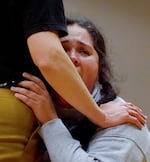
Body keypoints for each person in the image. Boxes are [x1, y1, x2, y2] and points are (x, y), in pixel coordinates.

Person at [11, 16, 150, 162]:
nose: (72, 58)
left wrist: (49, 120)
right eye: (63, 49)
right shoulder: (26, 100)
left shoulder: (123, 117)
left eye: (84, 51)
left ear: (99, 68)